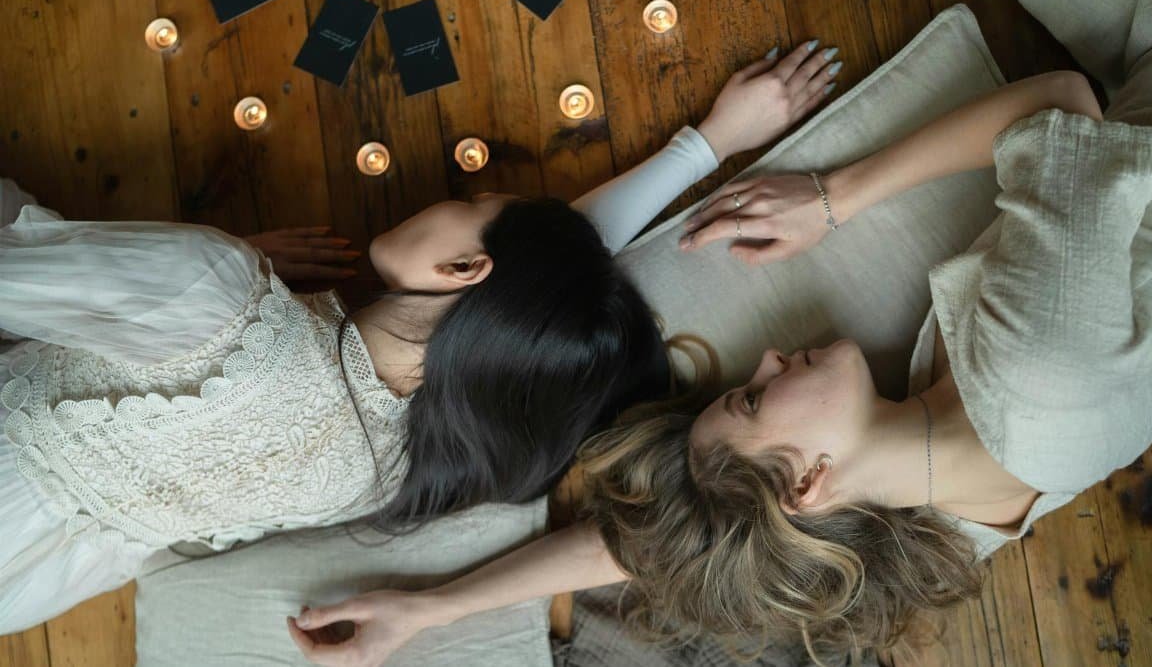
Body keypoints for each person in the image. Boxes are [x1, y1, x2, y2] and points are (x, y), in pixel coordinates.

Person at [287, 0, 1152, 663]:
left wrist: (433, 609)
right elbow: (1060, 108)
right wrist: (832, 199)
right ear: (809, 480)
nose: (763, 356)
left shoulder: (907, 503)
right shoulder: (1036, 381)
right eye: (756, 392)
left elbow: (654, 547)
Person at [0, 42, 844, 632]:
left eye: (480, 204)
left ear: (467, 272)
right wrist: (703, 145)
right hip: (35, 575)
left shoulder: (211, 294)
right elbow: (538, 288)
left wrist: (203, 271)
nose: (464, 197)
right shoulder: (411, 463)